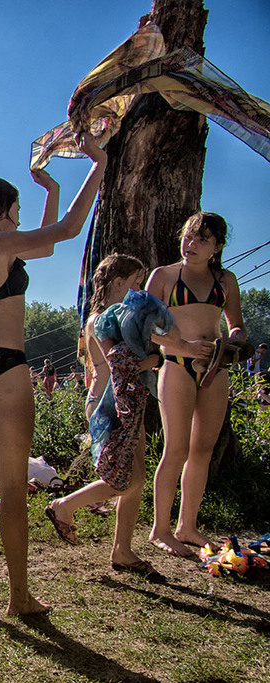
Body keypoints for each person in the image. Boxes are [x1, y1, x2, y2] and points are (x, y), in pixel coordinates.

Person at [0, 134, 107, 615]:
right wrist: (98, 163)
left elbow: (47, 247)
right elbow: (70, 230)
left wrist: (48, 187)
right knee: (14, 486)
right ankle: (20, 596)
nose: (20, 221)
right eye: (16, 211)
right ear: (1, 212)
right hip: (3, 363)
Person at [45, 254, 209, 578]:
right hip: (108, 408)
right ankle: (64, 506)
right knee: (127, 479)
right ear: (118, 283)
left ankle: (122, 551)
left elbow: (153, 345)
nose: (139, 291)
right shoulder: (99, 320)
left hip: (130, 403)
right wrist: (158, 359)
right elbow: (123, 364)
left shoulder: (125, 317)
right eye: (135, 283)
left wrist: (177, 350)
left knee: (137, 480)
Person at [146, 212, 246, 557]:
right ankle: (160, 529)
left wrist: (232, 342)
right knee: (175, 449)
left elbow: (237, 326)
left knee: (202, 449)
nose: (191, 244)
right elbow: (145, 327)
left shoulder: (227, 280)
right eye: (188, 237)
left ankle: (187, 526)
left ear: (217, 246)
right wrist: (185, 347)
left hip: (215, 369)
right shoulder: (163, 276)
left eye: (202, 239)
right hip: (176, 364)